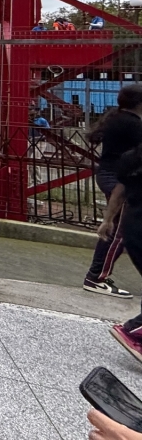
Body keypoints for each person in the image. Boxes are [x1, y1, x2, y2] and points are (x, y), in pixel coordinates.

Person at [83, 84, 142, 298]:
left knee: (122, 228)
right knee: (119, 231)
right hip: (118, 178)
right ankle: (96, 276)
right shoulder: (133, 124)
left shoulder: (117, 118)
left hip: (109, 174)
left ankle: (97, 275)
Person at [105, 134, 142, 361]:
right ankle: (134, 332)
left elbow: (119, 190)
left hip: (133, 225)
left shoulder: (132, 159)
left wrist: (108, 219)